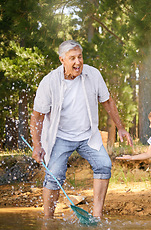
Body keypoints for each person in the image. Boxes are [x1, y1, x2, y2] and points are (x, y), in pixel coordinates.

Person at [30, 40, 133, 219]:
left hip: (87, 135)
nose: (78, 62)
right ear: (62, 60)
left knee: (104, 164)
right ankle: (48, 221)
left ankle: (97, 216)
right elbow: (37, 116)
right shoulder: (49, 82)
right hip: (60, 136)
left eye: (80, 57)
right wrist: (37, 145)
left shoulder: (93, 74)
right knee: (54, 175)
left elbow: (107, 101)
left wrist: (121, 128)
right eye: (72, 58)